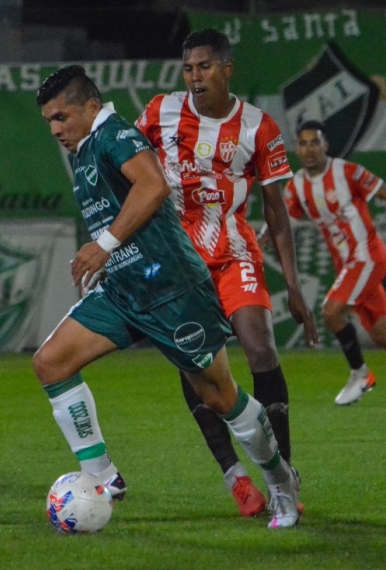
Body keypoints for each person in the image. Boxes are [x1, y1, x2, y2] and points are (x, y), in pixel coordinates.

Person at [33, 65, 302, 529]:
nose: (55, 129)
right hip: (124, 291)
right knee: (51, 363)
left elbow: (153, 186)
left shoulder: (115, 134)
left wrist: (104, 246)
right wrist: (109, 257)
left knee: (221, 398)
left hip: (173, 292)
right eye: (49, 122)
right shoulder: (84, 151)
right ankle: (103, 477)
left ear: (91, 107)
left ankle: (280, 482)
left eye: (62, 116)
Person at [135, 28, 318, 517]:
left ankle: (283, 476)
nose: (195, 76)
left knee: (260, 347)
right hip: (177, 259)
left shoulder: (259, 126)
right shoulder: (159, 112)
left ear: (227, 69)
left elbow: (276, 211)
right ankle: (235, 475)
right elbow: (128, 166)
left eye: (205, 66)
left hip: (234, 252)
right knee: (194, 363)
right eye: (189, 68)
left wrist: (295, 288)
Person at [279, 120, 386, 405]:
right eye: (303, 143)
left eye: (315, 142)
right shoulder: (296, 186)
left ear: (325, 145)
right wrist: (263, 236)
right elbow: (283, 220)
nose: (310, 149)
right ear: (297, 148)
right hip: (348, 266)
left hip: (368, 257)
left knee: (331, 312)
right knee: (385, 337)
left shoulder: (346, 172)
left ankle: (360, 374)